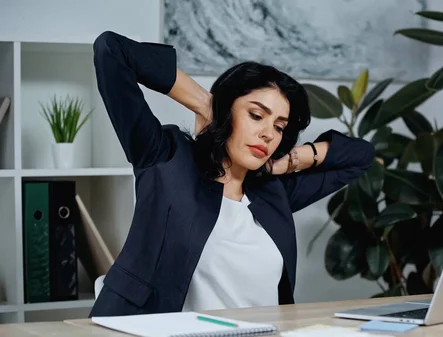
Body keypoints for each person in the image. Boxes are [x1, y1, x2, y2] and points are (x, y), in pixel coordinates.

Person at [88, 30, 375, 317]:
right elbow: (111, 50)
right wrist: (205, 102)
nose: (267, 134)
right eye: (256, 115)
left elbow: (360, 157)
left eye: (279, 126)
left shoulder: (272, 192)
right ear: (227, 110)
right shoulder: (167, 160)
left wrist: (285, 161)